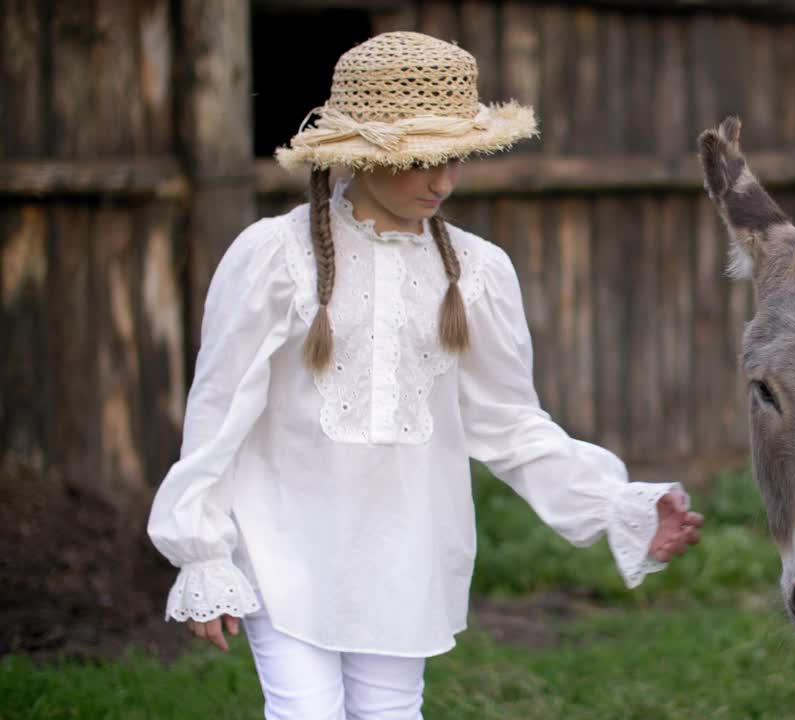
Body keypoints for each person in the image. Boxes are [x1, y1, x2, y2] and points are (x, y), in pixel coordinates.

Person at [147, 31, 703, 719]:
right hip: (284, 542)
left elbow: (510, 424)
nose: (443, 183)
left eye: (457, 160)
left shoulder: (476, 273)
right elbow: (219, 409)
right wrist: (202, 549)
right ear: (363, 155)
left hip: (404, 551)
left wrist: (616, 504)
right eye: (423, 162)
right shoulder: (273, 258)